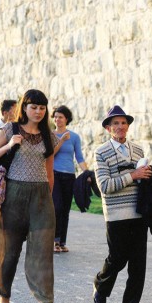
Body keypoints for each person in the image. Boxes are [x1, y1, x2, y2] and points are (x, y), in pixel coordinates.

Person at [0, 89, 64, 303]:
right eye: (34, 107)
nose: (39, 112)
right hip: (14, 196)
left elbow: (50, 171)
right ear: (25, 107)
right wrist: (9, 145)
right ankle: (4, 302)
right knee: (8, 252)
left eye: (42, 108)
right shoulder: (9, 129)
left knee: (43, 253)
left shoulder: (49, 137)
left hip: (41, 197)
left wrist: (49, 199)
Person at [92, 105, 152, 303]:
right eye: (115, 123)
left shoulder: (138, 151)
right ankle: (101, 284)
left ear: (128, 126)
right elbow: (105, 186)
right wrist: (133, 176)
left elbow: (142, 179)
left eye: (123, 123)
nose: (120, 126)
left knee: (138, 264)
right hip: (116, 215)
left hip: (138, 213)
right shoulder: (101, 152)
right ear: (108, 128)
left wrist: (146, 175)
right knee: (117, 259)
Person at [52, 105, 88, 253]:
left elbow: (79, 157)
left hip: (69, 176)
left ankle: (62, 242)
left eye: (60, 116)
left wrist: (87, 173)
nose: (57, 119)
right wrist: (60, 141)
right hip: (54, 174)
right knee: (57, 207)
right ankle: (54, 241)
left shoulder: (74, 137)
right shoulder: (50, 134)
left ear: (66, 119)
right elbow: (49, 155)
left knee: (65, 209)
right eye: (55, 116)